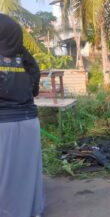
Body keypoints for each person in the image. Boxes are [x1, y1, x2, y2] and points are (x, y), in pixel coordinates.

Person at [0, 14, 45, 217]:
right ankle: (32, 210)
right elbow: (34, 89)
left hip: (3, 127)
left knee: (4, 176)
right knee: (28, 172)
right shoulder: (26, 57)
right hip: (29, 123)